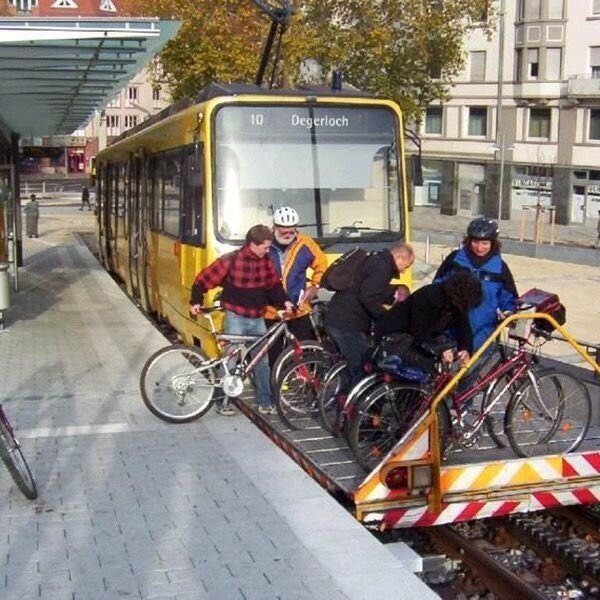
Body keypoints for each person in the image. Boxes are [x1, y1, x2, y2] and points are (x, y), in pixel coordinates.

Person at [189, 224, 294, 416]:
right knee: (230, 361)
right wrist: (195, 300)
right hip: (235, 317)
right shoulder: (231, 260)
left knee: (261, 362)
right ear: (253, 245)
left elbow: (273, 287)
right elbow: (204, 278)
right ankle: (222, 402)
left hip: (257, 318)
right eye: (265, 247)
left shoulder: (266, 262)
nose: (268, 250)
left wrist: (285, 302)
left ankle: (265, 401)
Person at [324, 242, 415, 385]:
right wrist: (385, 318)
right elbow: (368, 297)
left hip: (337, 316)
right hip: (347, 324)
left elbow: (367, 288)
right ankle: (357, 405)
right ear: (398, 257)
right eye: (406, 266)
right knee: (362, 368)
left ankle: (341, 399)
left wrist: (392, 293)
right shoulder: (382, 268)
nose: (404, 271)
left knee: (348, 367)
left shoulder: (375, 260)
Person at [434, 217, 518, 352]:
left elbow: (509, 297)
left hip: (484, 332)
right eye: (475, 242)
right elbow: (436, 287)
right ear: (468, 241)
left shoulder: (500, 267)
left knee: (479, 371)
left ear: (493, 244)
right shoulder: (455, 260)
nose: (479, 247)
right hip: (452, 328)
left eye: (485, 243)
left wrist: (508, 311)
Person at [374, 271, 482, 372]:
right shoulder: (429, 296)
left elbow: (464, 328)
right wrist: (441, 349)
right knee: (427, 369)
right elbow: (419, 329)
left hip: (413, 339)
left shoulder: (456, 306)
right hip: (396, 337)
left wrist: (465, 349)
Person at [264, 207, 328, 366]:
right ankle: (275, 387)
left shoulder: (306, 243)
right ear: (275, 227)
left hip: (298, 309)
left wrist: (315, 286)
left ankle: (304, 385)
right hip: (270, 311)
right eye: (284, 230)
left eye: (291, 231)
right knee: (272, 355)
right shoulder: (265, 244)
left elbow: (322, 265)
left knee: (303, 352)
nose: (288, 234)